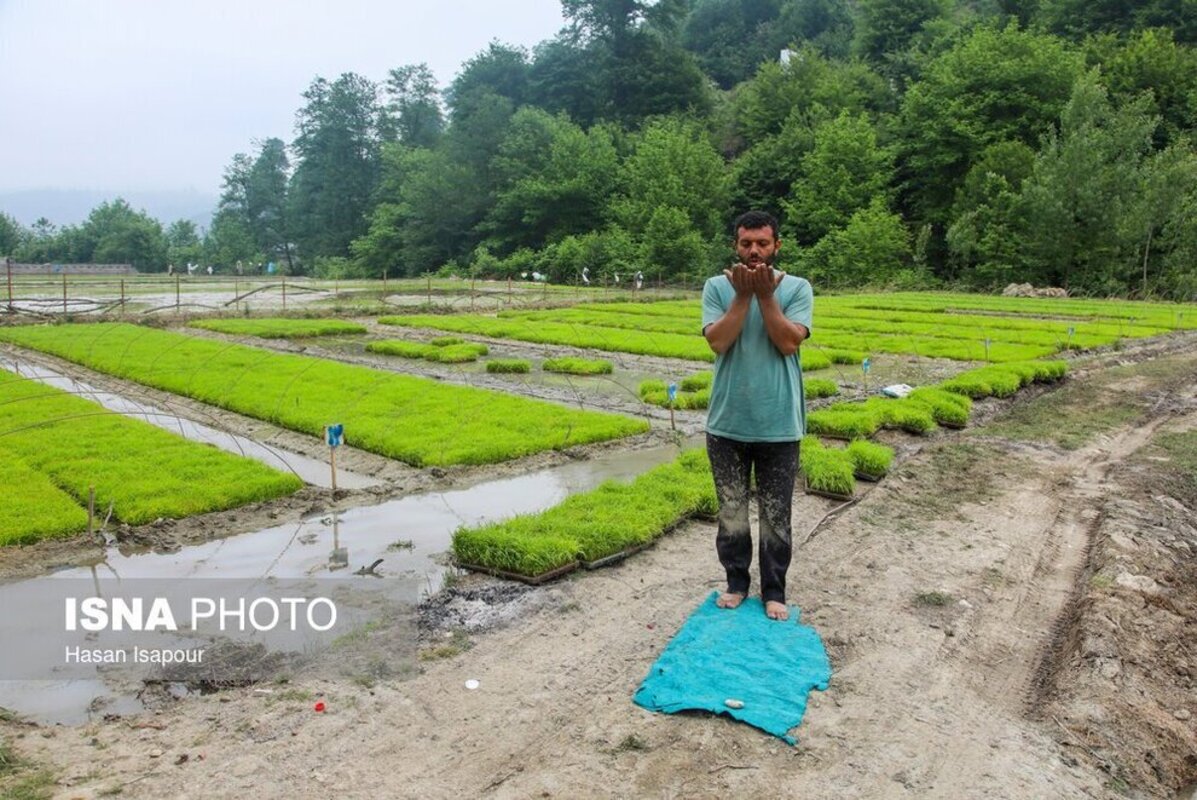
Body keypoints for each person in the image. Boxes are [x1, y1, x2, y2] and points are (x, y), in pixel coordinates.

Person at [701, 210, 812, 621]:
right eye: (746, 243)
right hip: (727, 423)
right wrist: (743, 296)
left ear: (776, 246)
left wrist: (765, 296)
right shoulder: (716, 287)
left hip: (779, 424)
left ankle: (774, 591)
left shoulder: (797, 288)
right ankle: (735, 583)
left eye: (762, 244)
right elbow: (718, 342)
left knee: (776, 513)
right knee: (731, 510)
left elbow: (788, 343)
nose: (754, 251)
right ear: (735, 245)